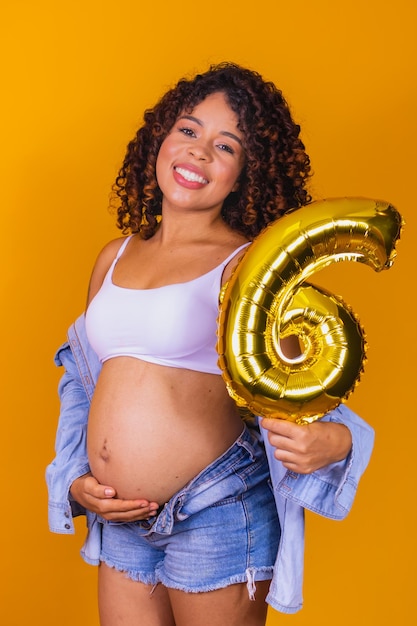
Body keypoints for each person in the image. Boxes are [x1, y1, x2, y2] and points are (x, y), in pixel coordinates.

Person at [46, 62, 374, 626]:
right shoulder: (114, 256)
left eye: (226, 146)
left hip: (217, 509)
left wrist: (339, 441)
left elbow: (299, 386)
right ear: (161, 139)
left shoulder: (244, 267)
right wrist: (75, 479)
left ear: (245, 174)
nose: (199, 152)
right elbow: (82, 379)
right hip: (121, 519)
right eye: (189, 130)